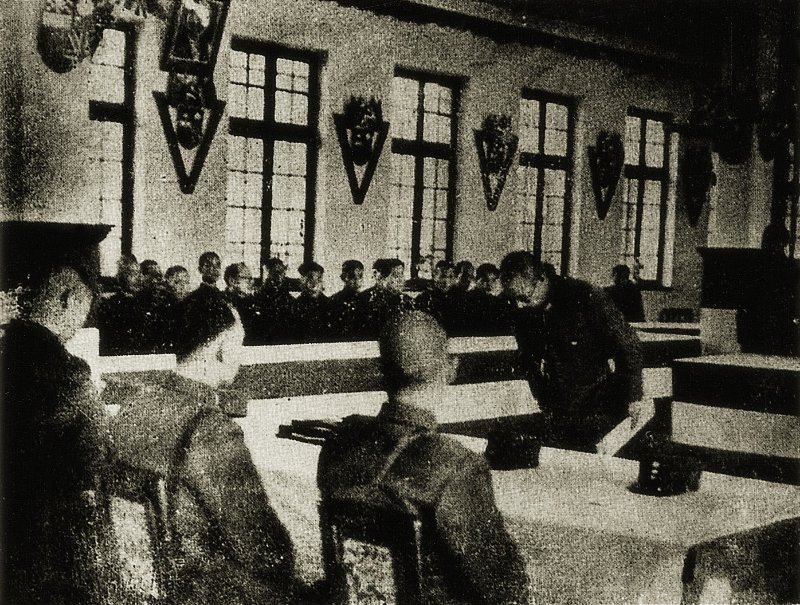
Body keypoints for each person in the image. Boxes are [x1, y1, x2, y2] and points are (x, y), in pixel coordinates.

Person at [318, 311, 530, 604]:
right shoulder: (457, 466)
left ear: (380, 370)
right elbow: (502, 586)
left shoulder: (337, 444)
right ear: (451, 369)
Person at [109, 293, 296, 604]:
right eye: (239, 343)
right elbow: (263, 547)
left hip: (140, 588)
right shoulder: (211, 428)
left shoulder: (133, 405)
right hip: (199, 592)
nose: (241, 355)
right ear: (222, 348)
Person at [2, 266, 110, 604]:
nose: (78, 327)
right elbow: (95, 453)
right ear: (69, 301)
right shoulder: (68, 372)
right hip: (41, 544)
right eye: (83, 314)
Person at [500, 251, 644, 452]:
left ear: (541, 278)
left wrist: (633, 396)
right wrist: (542, 397)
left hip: (597, 401)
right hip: (558, 406)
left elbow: (628, 345)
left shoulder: (584, 296)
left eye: (524, 296)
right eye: (514, 298)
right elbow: (528, 359)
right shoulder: (523, 312)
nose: (520, 304)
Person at [737, 223, 800, 356]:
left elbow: (743, 303)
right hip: (780, 330)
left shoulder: (753, 266)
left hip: (757, 329)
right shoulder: (791, 267)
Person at [96, 254, 147, 355]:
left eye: (139, 273)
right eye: (132, 274)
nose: (139, 278)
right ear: (122, 277)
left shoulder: (146, 302)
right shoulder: (111, 305)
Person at [358, 258, 415, 336]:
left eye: (402, 275)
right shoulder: (363, 299)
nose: (402, 280)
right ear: (381, 278)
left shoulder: (407, 301)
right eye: (396, 276)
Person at [253, 257, 295, 343]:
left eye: (281, 272)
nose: (278, 276)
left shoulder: (289, 299)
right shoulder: (257, 297)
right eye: (275, 273)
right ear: (267, 274)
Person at [293, 261, 332, 342]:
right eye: (309, 279)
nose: (314, 285)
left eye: (318, 279)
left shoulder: (330, 305)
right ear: (301, 282)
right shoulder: (295, 306)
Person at [223, 262, 261, 344]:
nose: (252, 282)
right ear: (232, 281)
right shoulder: (223, 304)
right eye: (247, 278)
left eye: (252, 278)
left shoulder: (252, 301)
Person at [329, 259, 364, 340]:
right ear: (344, 277)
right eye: (352, 276)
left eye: (360, 276)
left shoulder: (366, 300)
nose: (357, 280)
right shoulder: (334, 301)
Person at [416, 260, 456, 328]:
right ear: (434, 275)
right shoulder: (425, 297)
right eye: (442, 276)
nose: (446, 281)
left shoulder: (457, 298)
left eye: (451, 277)